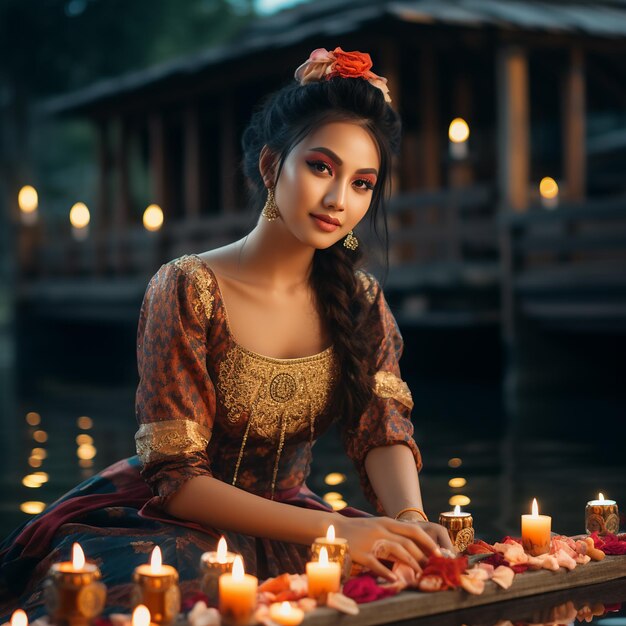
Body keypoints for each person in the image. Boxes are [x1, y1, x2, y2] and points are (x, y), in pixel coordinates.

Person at [0, 47, 452, 620]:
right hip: (175, 520)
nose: (340, 200)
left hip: (300, 519)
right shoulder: (188, 288)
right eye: (320, 167)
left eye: (363, 184)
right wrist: (335, 529)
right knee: (163, 595)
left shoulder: (361, 302)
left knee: (414, 575)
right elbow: (180, 479)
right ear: (270, 167)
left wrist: (410, 520)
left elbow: (382, 428)